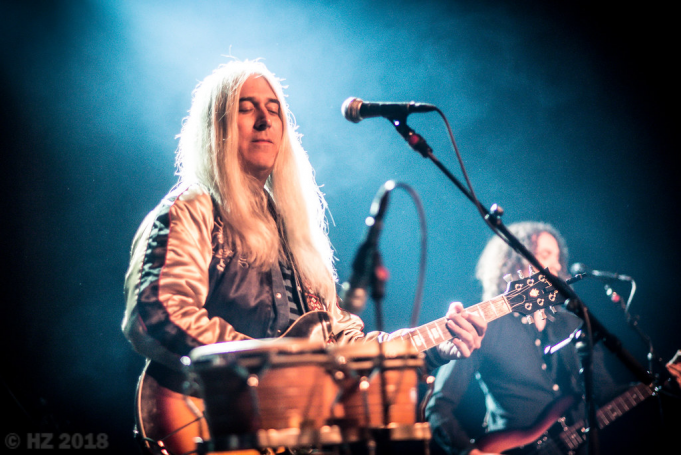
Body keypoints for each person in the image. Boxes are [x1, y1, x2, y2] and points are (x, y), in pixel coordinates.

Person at [121, 59, 487, 454]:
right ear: (216, 127)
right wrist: (268, 369)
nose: (265, 120)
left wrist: (435, 347)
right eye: (246, 108)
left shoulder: (295, 232)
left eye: (274, 110)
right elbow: (157, 311)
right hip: (204, 423)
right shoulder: (194, 208)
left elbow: (345, 348)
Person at [425, 221, 647, 455]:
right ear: (513, 263)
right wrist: (468, 452)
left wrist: (658, 382)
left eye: (558, 257)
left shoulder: (573, 323)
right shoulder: (485, 328)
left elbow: (602, 392)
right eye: (545, 254)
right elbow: (438, 407)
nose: (556, 264)